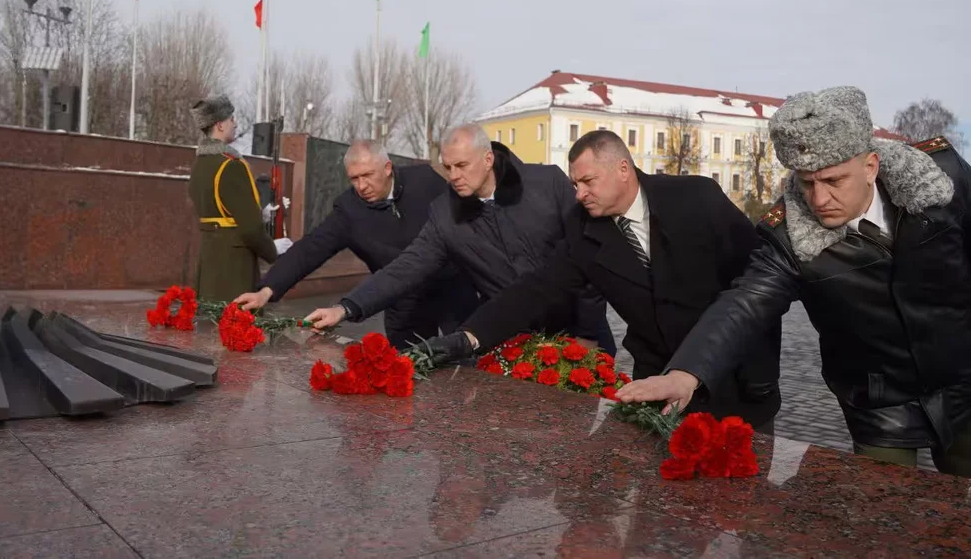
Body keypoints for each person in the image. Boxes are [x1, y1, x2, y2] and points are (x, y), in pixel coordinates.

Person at [618, 85, 971, 477]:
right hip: (878, 400)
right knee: (884, 514)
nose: (819, 199)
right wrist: (687, 372)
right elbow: (746, 303)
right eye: (807, 182)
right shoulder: (787, 236)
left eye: (834, 181)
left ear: (871, 166)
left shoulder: (942, 179)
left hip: (964, 379)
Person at [405, 129, 782, 432]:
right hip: (654, 380)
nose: (579, 194)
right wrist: (468, 338)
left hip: (732, 380)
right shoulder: (584, 228)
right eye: (574, 184)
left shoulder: (696, 198)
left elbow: (759, 287)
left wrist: (759, 375)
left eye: (587, 181)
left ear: (623, 169)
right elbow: (536, 289)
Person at [304, 124, 614, 354]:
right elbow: (406, 267)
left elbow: (588, 259)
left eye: (462, 166)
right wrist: (345, 308)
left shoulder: (547, 184)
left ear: (488, 159)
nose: (453, 176)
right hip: (513, 337)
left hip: (581, 334)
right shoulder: (445, 215)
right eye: (448, 167)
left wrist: (587, 334)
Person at [233, 140, 478, 348]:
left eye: (367, 176)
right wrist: (268, 289)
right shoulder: (349, 210)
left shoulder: (426, 181)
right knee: (406, 371)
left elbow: (468, 219)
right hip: (401, 300)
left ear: (387, 168)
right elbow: (311, 248)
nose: (361, 186)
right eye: (354, 179)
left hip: (452, 289)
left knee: (471, 365)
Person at [188, 96, 278, 302]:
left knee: (209, 326)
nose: (235, 123)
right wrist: (273, 250)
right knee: (237, 327)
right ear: (219, 125)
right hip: (234, 266)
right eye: (231, 119)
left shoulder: (200, 164)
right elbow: (250, 228)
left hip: (210, 259)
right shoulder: (231, 165)